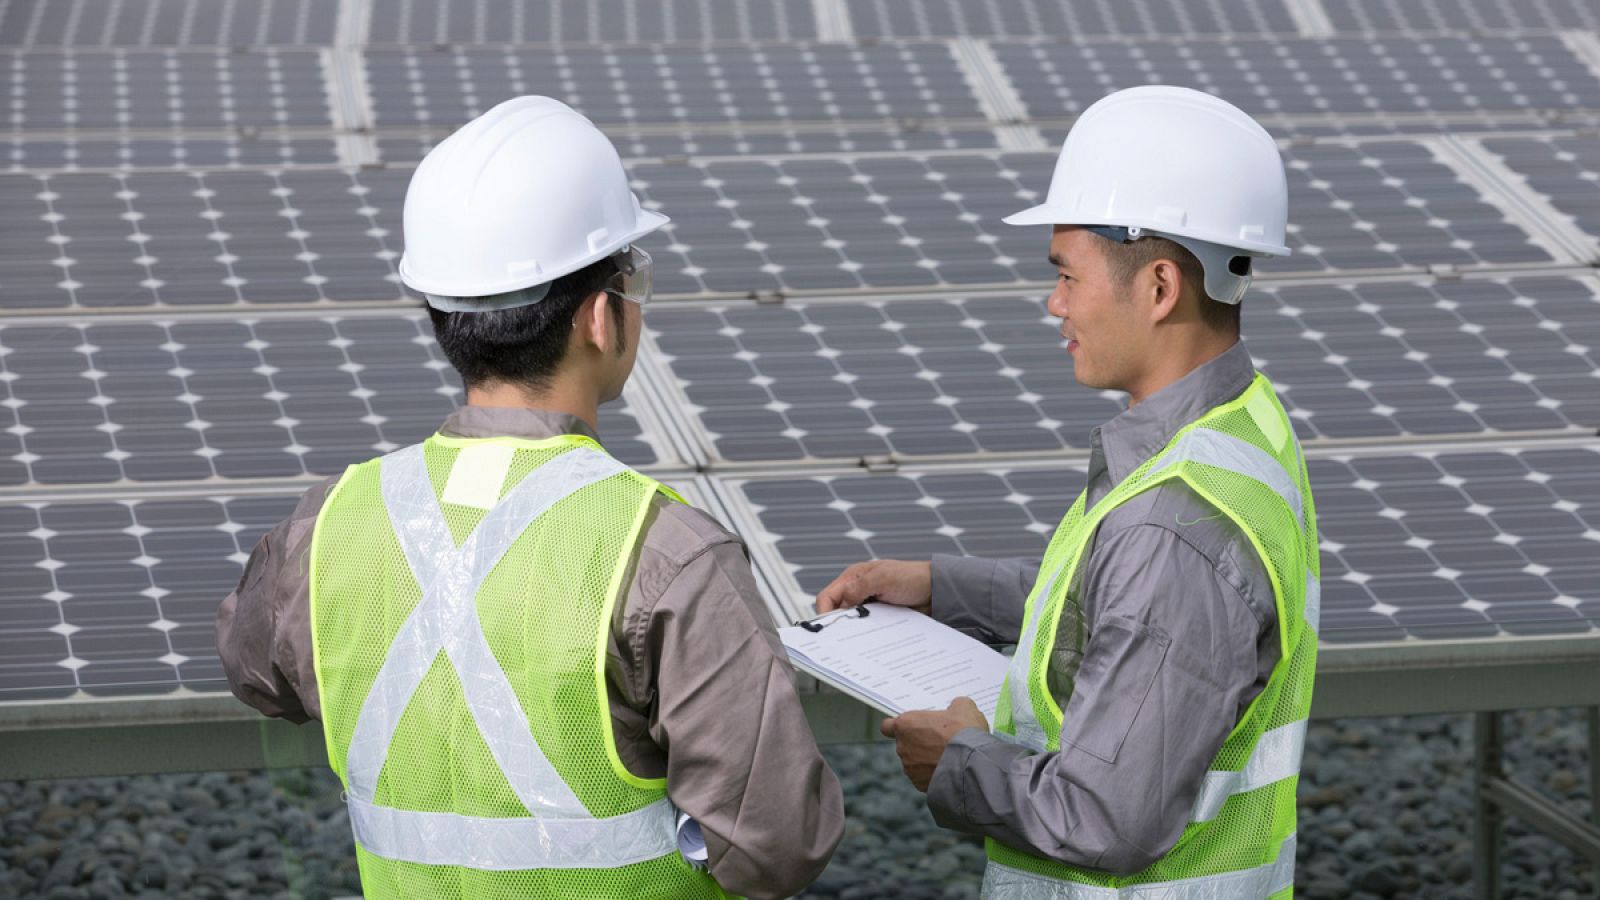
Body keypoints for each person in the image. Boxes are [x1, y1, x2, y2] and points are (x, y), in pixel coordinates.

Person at [217, 96, 842, 899]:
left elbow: (257, 674)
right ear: (595, 315)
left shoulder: (325, 525)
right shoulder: (667, 554)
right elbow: (777, 844)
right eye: (632, 276)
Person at [816, 85, 1319, 898]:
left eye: (1067, 275)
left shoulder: (1173, 527)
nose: (1054, 304)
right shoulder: (1240, 426)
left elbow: (1104, 818)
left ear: (1158, 288)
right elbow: (1112, 606)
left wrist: (959, 762)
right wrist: (942, 588)